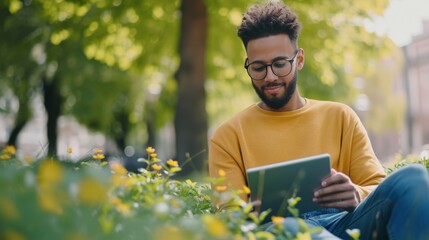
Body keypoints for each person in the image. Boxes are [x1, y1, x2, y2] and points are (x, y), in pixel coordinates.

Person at [208, 1, 429, 239]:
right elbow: (228, 221)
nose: (270, 77)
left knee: (413, 177)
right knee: (290, 226)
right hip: (281, 231)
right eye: (258, 67)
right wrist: (246, 214)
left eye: (280, 64)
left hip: (345, 223)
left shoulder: (340, 117)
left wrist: (355, 194)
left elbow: (376, 188)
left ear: (299, 59)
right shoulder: (228, 135)